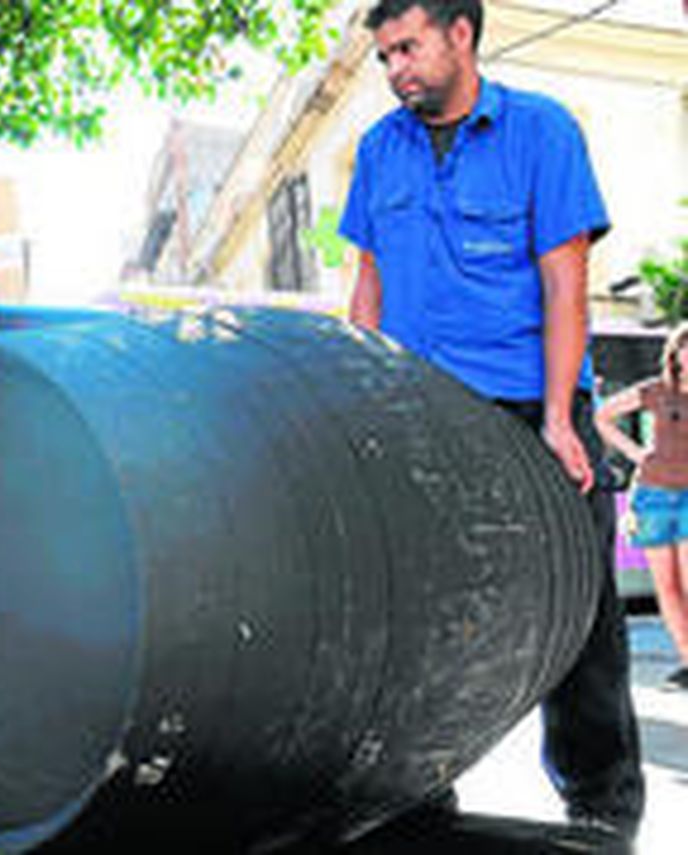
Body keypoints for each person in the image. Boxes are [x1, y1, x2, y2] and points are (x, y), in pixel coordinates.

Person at [340, 0, 644, 838]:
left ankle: (602, 808)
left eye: (407, 47)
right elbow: (368, 287)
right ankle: (419, 794)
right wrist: (353, 402)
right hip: (416, 412)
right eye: (385, 55)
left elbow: (564, 282)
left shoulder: (541, 132)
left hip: (526, 404)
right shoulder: (378, 149)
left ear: (460, 34)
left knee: (580, 619)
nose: (395, 67)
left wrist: (558, 417)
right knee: (417, 616)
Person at [596, 324, 688, 692]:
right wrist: (636, 454)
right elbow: (603, 416)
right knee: (666, 588)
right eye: (685, 347)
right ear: (675, 355)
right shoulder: (656, 390)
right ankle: (686, 659)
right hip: (652, 497)